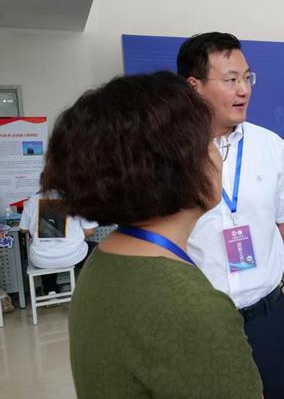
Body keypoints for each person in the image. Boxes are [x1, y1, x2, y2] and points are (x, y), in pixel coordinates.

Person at [41, 71, 262, 398]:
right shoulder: (192, 311)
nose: (218, 155)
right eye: (209, 143)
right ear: (177, 164)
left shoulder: (107, 258)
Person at [177, 32, 284, 399]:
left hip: (265, 315)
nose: (244, 90)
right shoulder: (168, 153)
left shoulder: (269, 146)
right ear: (194, 87)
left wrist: (266, 261)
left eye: (247, 78)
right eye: (230, 79)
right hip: (196, 318)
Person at [19, 189, 98, 294]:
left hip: (41, 258)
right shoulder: (78, 200)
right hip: (72, 255)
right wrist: (73, 238)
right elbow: (90, 231)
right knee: (98, 250)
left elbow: (23, 229)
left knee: (48, 251)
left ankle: (50, 291)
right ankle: (89, 288)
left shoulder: (32, 200)